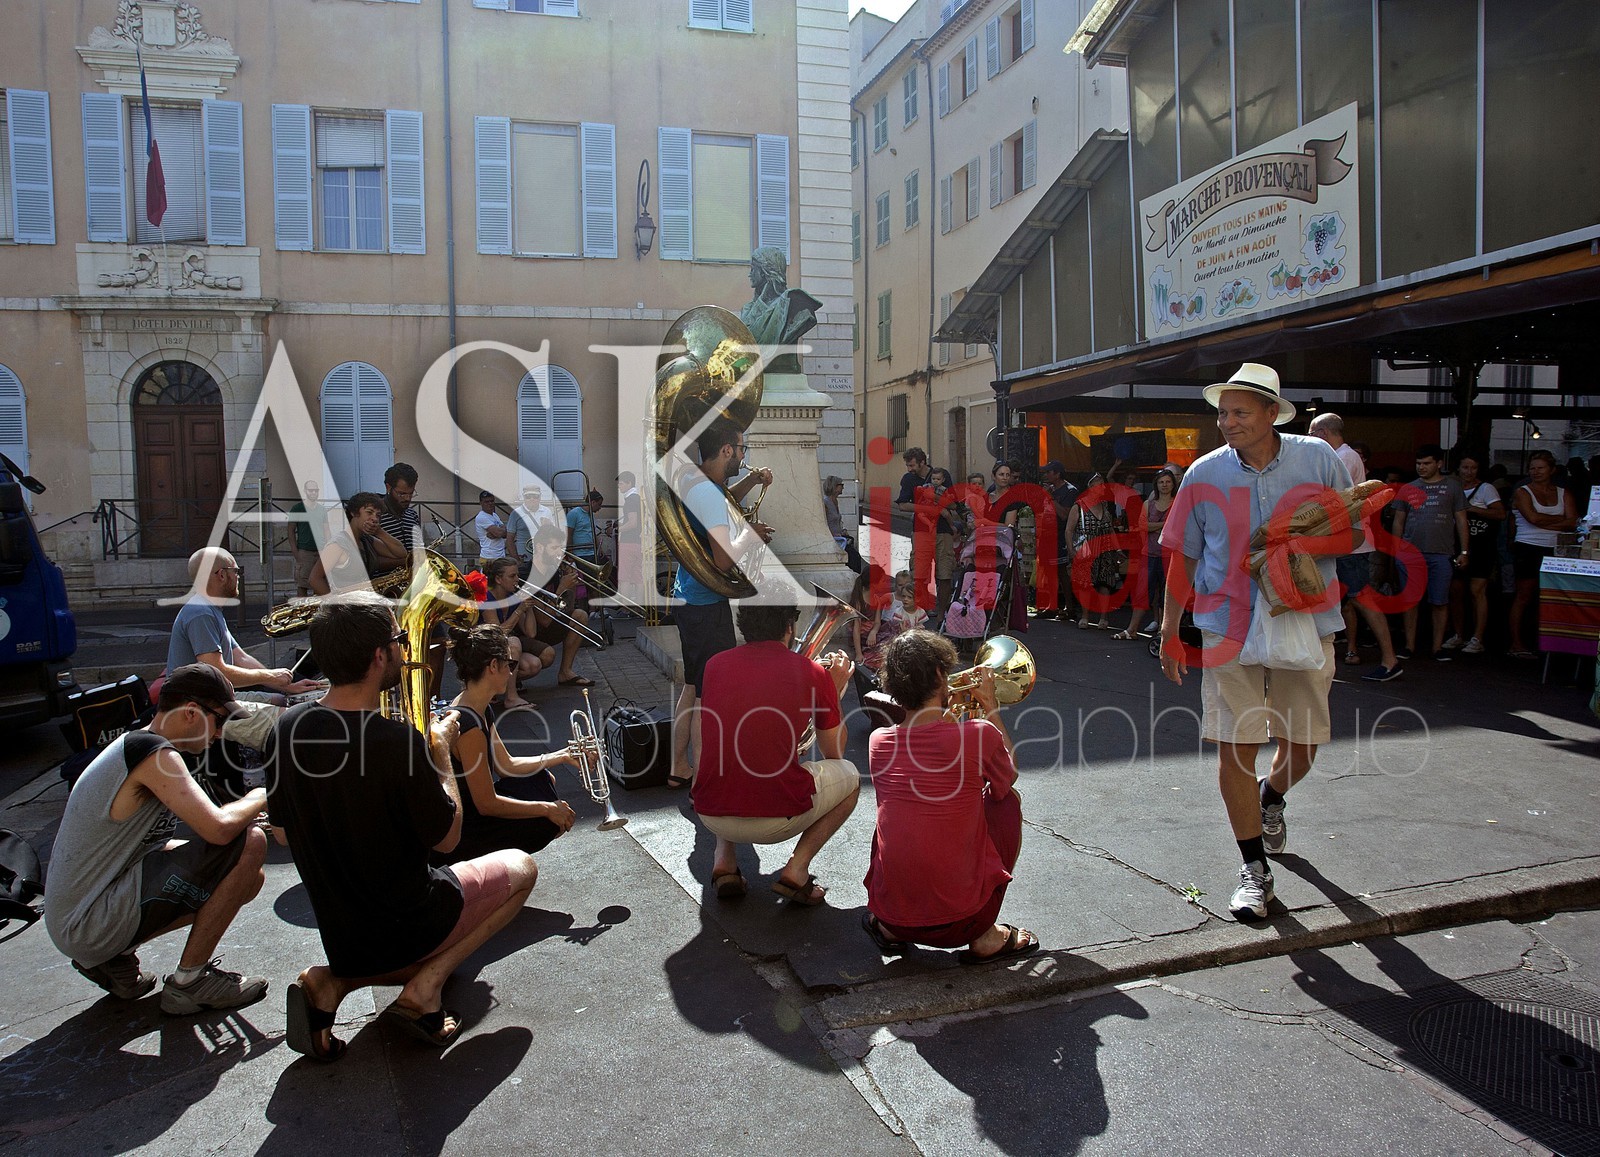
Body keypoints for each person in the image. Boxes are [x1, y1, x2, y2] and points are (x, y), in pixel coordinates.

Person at [268, 592, 539, 1061]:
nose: (404, 648)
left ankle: (334, 982)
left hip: (339, 933)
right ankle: (426, 987)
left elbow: (282, 834)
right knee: (522, 867)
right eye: (399, 640)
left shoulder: (286, 727)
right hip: (408, 923)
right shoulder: (396, 741)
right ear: (379, 656)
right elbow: (448, 838)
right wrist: (440, 753)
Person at [1158, 363, 1359, 922]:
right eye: (1223, 413)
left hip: (1306, 618)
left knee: (1304, 743)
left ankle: (1272, 796)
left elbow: (1354, 533)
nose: (1228, 422)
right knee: (1235, 745)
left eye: (1240, 412)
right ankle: (1254, 870)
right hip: (1228, 623)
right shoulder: (1203, 472)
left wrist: (1296, 542)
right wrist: (1170, 629)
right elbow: (1184, 554)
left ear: (1273, 413)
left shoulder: (1318, 459)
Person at [44, 664, 270, 1012]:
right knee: (250, 843)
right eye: (219, 721)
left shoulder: (141, 745)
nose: (220, 733)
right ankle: (190, 982)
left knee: (246, 878)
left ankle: (112, 959)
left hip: (79, 919)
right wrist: (262, 795)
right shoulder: (154, 754)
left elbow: (156, 845)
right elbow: (218, 828)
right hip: (87, 921)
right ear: (192, 712)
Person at [862, 630, 1037, 963]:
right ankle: (986, 937)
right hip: (966, 923)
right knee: (1006, 802)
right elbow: (1008, 775)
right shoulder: (980, 734)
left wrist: (945, 714)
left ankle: (887, 930)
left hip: (893, 917)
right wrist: (990, 708)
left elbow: (927, 749)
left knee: (898, 814)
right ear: (941, 675)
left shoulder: (878, 741)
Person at [692, 597, 859, 905]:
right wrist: (832, 691)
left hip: (710, 813)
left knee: (727, 759)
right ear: (789, 626)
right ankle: (797, 868)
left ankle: (724, 860)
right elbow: (834, 753)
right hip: (775, 820)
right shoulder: (812, 672)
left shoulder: (714, 665)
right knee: (851, 777)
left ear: (743, 625)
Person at [667, 420, 774, 790]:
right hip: (705, 604)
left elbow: (724, 497)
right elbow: (723, 560)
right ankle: (704, 780)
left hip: (689, 599)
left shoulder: (699, 482)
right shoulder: (709, 496)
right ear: (727, 450)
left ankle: (679, 767)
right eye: (741, 449)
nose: (743, 456)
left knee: (693, 687)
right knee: (708, 697)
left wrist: (752, 481)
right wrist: (750, 536)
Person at [439, 624, 578, 860]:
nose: (512, 673)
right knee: (546, 822)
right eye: (510, 665)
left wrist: (562, 755)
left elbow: (506, 765)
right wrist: (548, 809)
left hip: (476, 811)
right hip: (469, 829)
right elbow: (486, 804)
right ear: (494, 666)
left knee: (541, 779)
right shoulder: (469, 725)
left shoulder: (478, 706)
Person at [1308, 414, 1401, 682]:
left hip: (1350, 545)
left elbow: (1333, 500)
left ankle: (1390, 659)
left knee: (1362, 598)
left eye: (1312, 434)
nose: (1310, 439)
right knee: (1347, 599)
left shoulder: (1344, 458)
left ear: (1323, 433)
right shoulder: (1342, 456)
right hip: (1342, 544)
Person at [167, 547, 322, 700]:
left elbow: (241, 658)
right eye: (236, 571)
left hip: (213, 698)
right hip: (196, 705)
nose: (238, 577)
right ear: (222, 575)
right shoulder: (201, 613)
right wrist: (270, 676)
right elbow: (216, 672)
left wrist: (286, 686)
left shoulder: (209, 609)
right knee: (282, 705)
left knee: (282, 699)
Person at [1393, 444, 1469, 663]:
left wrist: (1464, 551)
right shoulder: (1408, 488)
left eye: (1426, 463)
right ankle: (1409, 646)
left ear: (1439, 463)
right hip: (1411, 554)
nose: (1421, 467)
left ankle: (1437, 647)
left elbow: (1461, 520)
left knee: (1440, 601)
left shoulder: (1453, 487)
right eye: (1418, 463)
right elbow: (1398, 521)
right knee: (1410, 602)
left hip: (1442, 553)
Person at [1508, 448, 1579, 658]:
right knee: (1524, 596)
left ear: (1551, 470)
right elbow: (1533, 518)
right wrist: (1561, 520)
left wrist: (1546, 521)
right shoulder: (1522, 491)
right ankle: (1516, 643)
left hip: (1556, 548)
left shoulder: (1563, 492)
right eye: (1532, 468)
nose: (1536, 472)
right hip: (1528, 546)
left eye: (1540, 468)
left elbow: (1574, 522)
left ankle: (1549, 643)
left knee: (1551, 597)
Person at [1443, 451, 1504, 655]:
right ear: (1458, 469)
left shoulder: (1486, 489)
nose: (1469, 472)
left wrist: (1471, 509)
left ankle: (1477, 637)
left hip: (1481, 546)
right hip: (1455, 544)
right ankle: (1458, 634)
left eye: (1473, 468)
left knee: (1477, 590)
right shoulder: (1452, 488)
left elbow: (1500, 513)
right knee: (1456, 590)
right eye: (1465, 467)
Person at [523, 523, 598, 688]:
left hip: (546, 625)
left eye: (561, 548)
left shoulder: (553, 571)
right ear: (540, 547)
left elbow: (565, 609)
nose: (560, 553)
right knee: (547, 656)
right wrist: (561, 587)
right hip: (528, 631)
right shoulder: (527, 574)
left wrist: (570, 585)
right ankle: (511, 679)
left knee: (580, 615)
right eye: (554, 548)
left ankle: (566, 672)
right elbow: (543, 620)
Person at [477, 558, 552, 709]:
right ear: (498, 579)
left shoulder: (512, 597)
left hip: (500, 650)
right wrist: (519, 610)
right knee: (513, 642)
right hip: (484, 649)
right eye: (512, 576)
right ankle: (510, 697)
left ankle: (495, 688)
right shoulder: (487, 598)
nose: (517, 579)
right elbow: (497, 633)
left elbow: (530, 633)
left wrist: (528, 606)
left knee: (533, 665)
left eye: (517, 575)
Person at [738, 246, 823, 375]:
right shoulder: (748, 309)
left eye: (753, 268)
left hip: (785, 373)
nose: (750, 274)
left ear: (764, 271)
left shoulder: (794, 302)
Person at [1115, 467, 1177, 639]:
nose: (1165, 485)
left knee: (1166, 595)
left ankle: (1163, 632)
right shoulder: (1148, 504)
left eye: (1168, 482)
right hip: (1149, 554)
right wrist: (1164, 525)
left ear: (1173, 484)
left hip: (1169, 555)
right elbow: (1142, 526)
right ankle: (1132, 629)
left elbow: (1178, 527)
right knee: (1142, 592)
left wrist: (1155, 526)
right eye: (1161, 482)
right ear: (1156, 485)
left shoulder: (1178, 503)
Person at [309, 492, 406, 596]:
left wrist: (379, 532)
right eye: (369, 512)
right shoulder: (338, 543)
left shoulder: (367, 540)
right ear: (354, 513)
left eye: (378, 515)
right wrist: (336, 602)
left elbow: (401, 553)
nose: (375, 519)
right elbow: (314, 579)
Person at [1074, 471, 1126, 631]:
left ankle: (1104, 618)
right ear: (1090, 486)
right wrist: (1071, 552)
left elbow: (1110, 529)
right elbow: (1069, 530)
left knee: (1105, 583)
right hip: (1087, 549)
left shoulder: (1105, 505)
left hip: (1105, 549)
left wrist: (1118, 549)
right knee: (1086, 584)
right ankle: (1085, 616)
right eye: (1099, 484)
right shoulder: (1079, 506)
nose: (1103, 487)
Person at [1036, 461, 1078, 621]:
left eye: (1049, 472)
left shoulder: (1069, 491)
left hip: (1060, 536)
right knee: (1049, 572)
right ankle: (1052, 606)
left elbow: (1064, 515)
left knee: (1062, 571)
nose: (1046, 475)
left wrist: (1051, 498)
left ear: (1057, 474)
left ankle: (1070, 607)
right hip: (1047, 535)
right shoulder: (1050, 489)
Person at [375, 462, 422, 571]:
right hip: (386, 580)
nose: (407, 498)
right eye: (402, 494)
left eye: (411, 493)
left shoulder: (412, 515)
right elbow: (369, 561)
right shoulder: (374, 516)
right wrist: (405, 561)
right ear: (388, 487)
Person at [509, 482, 561, 579]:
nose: (532, 499)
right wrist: (516, 560)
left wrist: (548, 526)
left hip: (543, 558)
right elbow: (509, 539)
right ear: (524, 498)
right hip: (524, 560)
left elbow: (553, 537)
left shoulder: (547, 511)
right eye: (528, 497)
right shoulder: (516, 513)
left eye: (535, 496)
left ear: (540, 497)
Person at [289, 479, 326, 598]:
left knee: (319, 584)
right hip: (304, 552)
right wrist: (295, 552)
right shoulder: (297, 508)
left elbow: (327, 531)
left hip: (320, 551)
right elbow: (290, 530)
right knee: (302, 585)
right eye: (311, 490)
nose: (314, 493)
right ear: (305, 491)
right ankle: (301, 608)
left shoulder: (322, 509)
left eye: (316, 490)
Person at [823, 475, 864, 573]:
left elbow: (836, 521)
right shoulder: (825, 502)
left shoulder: (835, 501)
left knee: (854, 557)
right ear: (834, 486)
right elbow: (823, 523)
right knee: (853, 557)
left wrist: (842, 531)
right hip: (833, 540)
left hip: (840, 538)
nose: (843, 487)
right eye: (841, 485)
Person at [615, 471, 644, 602]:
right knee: (638, 577)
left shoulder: (631, 500)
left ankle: (626, 607)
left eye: (621, 483)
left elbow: (633, 523)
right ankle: (640, 606)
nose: (619, 486)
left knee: (624, 577)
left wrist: (617, 529)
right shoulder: (638, 498)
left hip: (627, 542)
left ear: (629, 483)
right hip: (637, 542)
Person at [566, 489, 605, 567]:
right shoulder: (574, 513)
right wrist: (570, 553)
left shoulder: (591, 515)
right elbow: (568, 534)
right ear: (593, 502)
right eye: (599, 504)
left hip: (592, 552)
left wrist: (599, 548)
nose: (600, 508)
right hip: (580, 554)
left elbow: (593, 532)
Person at [473, 490, 509, 572]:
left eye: (492, 501)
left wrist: (499, 533)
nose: (490, 503)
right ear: (481, 503)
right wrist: (499, 532)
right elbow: (499, 533)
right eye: (486, 502)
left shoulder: (495, 515)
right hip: (489, 557)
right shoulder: (481, 517)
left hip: (500, 555)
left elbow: (505, 533)